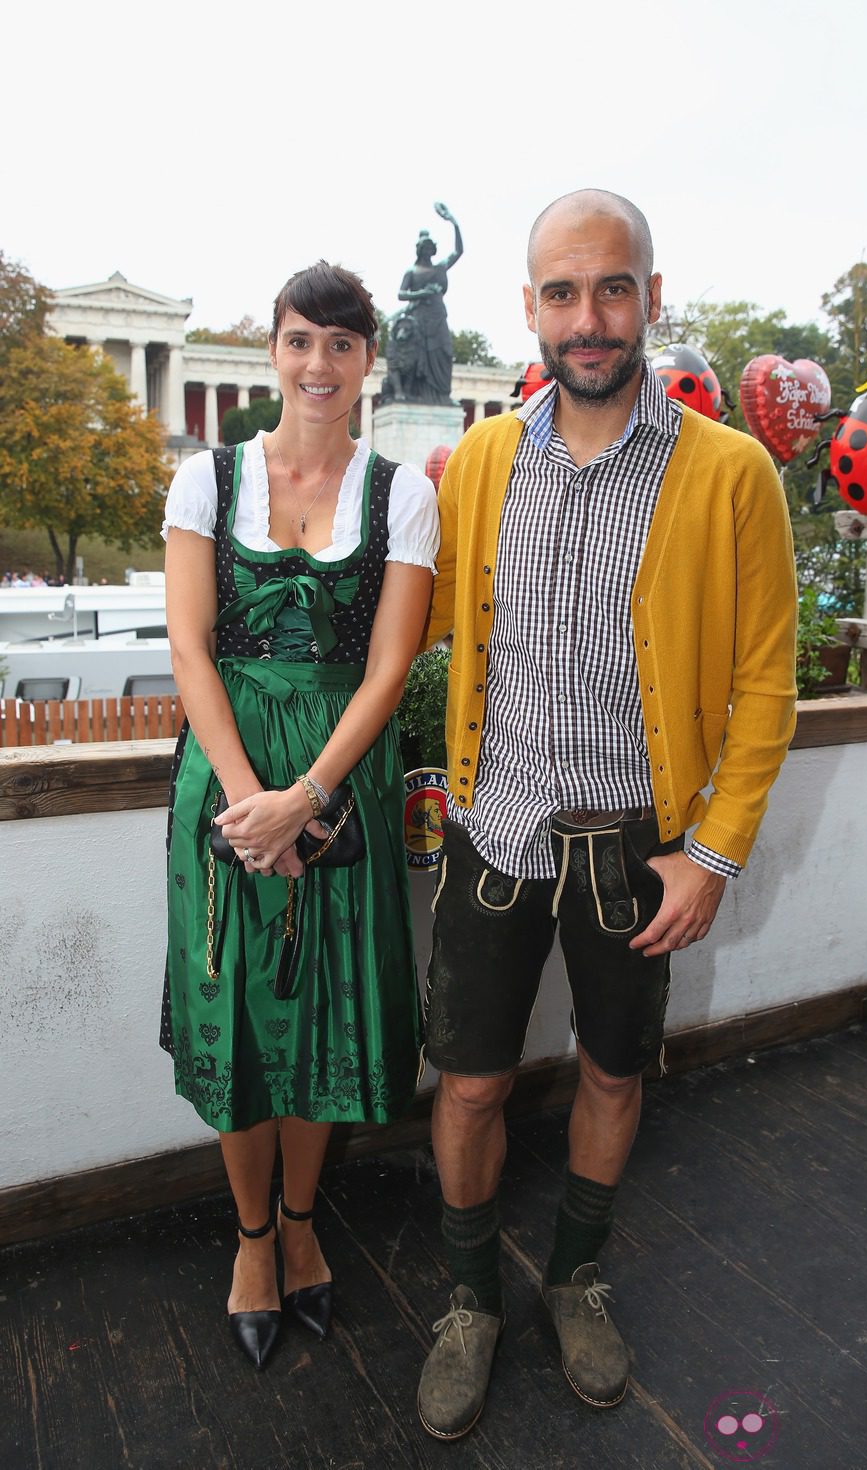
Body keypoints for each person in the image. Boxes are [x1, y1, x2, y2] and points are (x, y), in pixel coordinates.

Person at [415, 190, 798, 1438]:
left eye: (613, 288)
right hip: (492, 834)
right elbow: (413, 628)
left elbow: (762, 682)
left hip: (640, 847)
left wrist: (712, 854)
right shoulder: (476, 463)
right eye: (563, 293)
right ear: (527, 308)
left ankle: (575, 1275)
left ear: (648, 297)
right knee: (467, 1088)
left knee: (613, 1071)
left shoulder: (729, 473)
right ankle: (469, 1299)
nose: (590, 318)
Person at [159, 260, 438, 1370]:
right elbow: (189, 646)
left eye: (340, 343)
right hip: (226, 780)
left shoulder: (401, 489)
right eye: (297, 341)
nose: (318, 365)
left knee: (324, 1010)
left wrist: (307, 799)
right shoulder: (207, 478)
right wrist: (247, 804)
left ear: (367, 359)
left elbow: (389, 664)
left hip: (339, 777)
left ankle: (307, 1223)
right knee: (235, 1009)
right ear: (270, 352)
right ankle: (250, 1237)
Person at [389, 202, 463, 404]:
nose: (429, 250)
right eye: (426, 248)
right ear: (420, 250)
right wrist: (423, 293)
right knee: (419, 359)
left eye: (432, 248)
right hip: (419, 319)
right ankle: (419, 394)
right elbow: (401, 294)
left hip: (438, 316)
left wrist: (453, 222)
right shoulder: (411, 272)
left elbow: (458, 251)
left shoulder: (440, 267)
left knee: (444, 353)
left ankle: (442, 395)